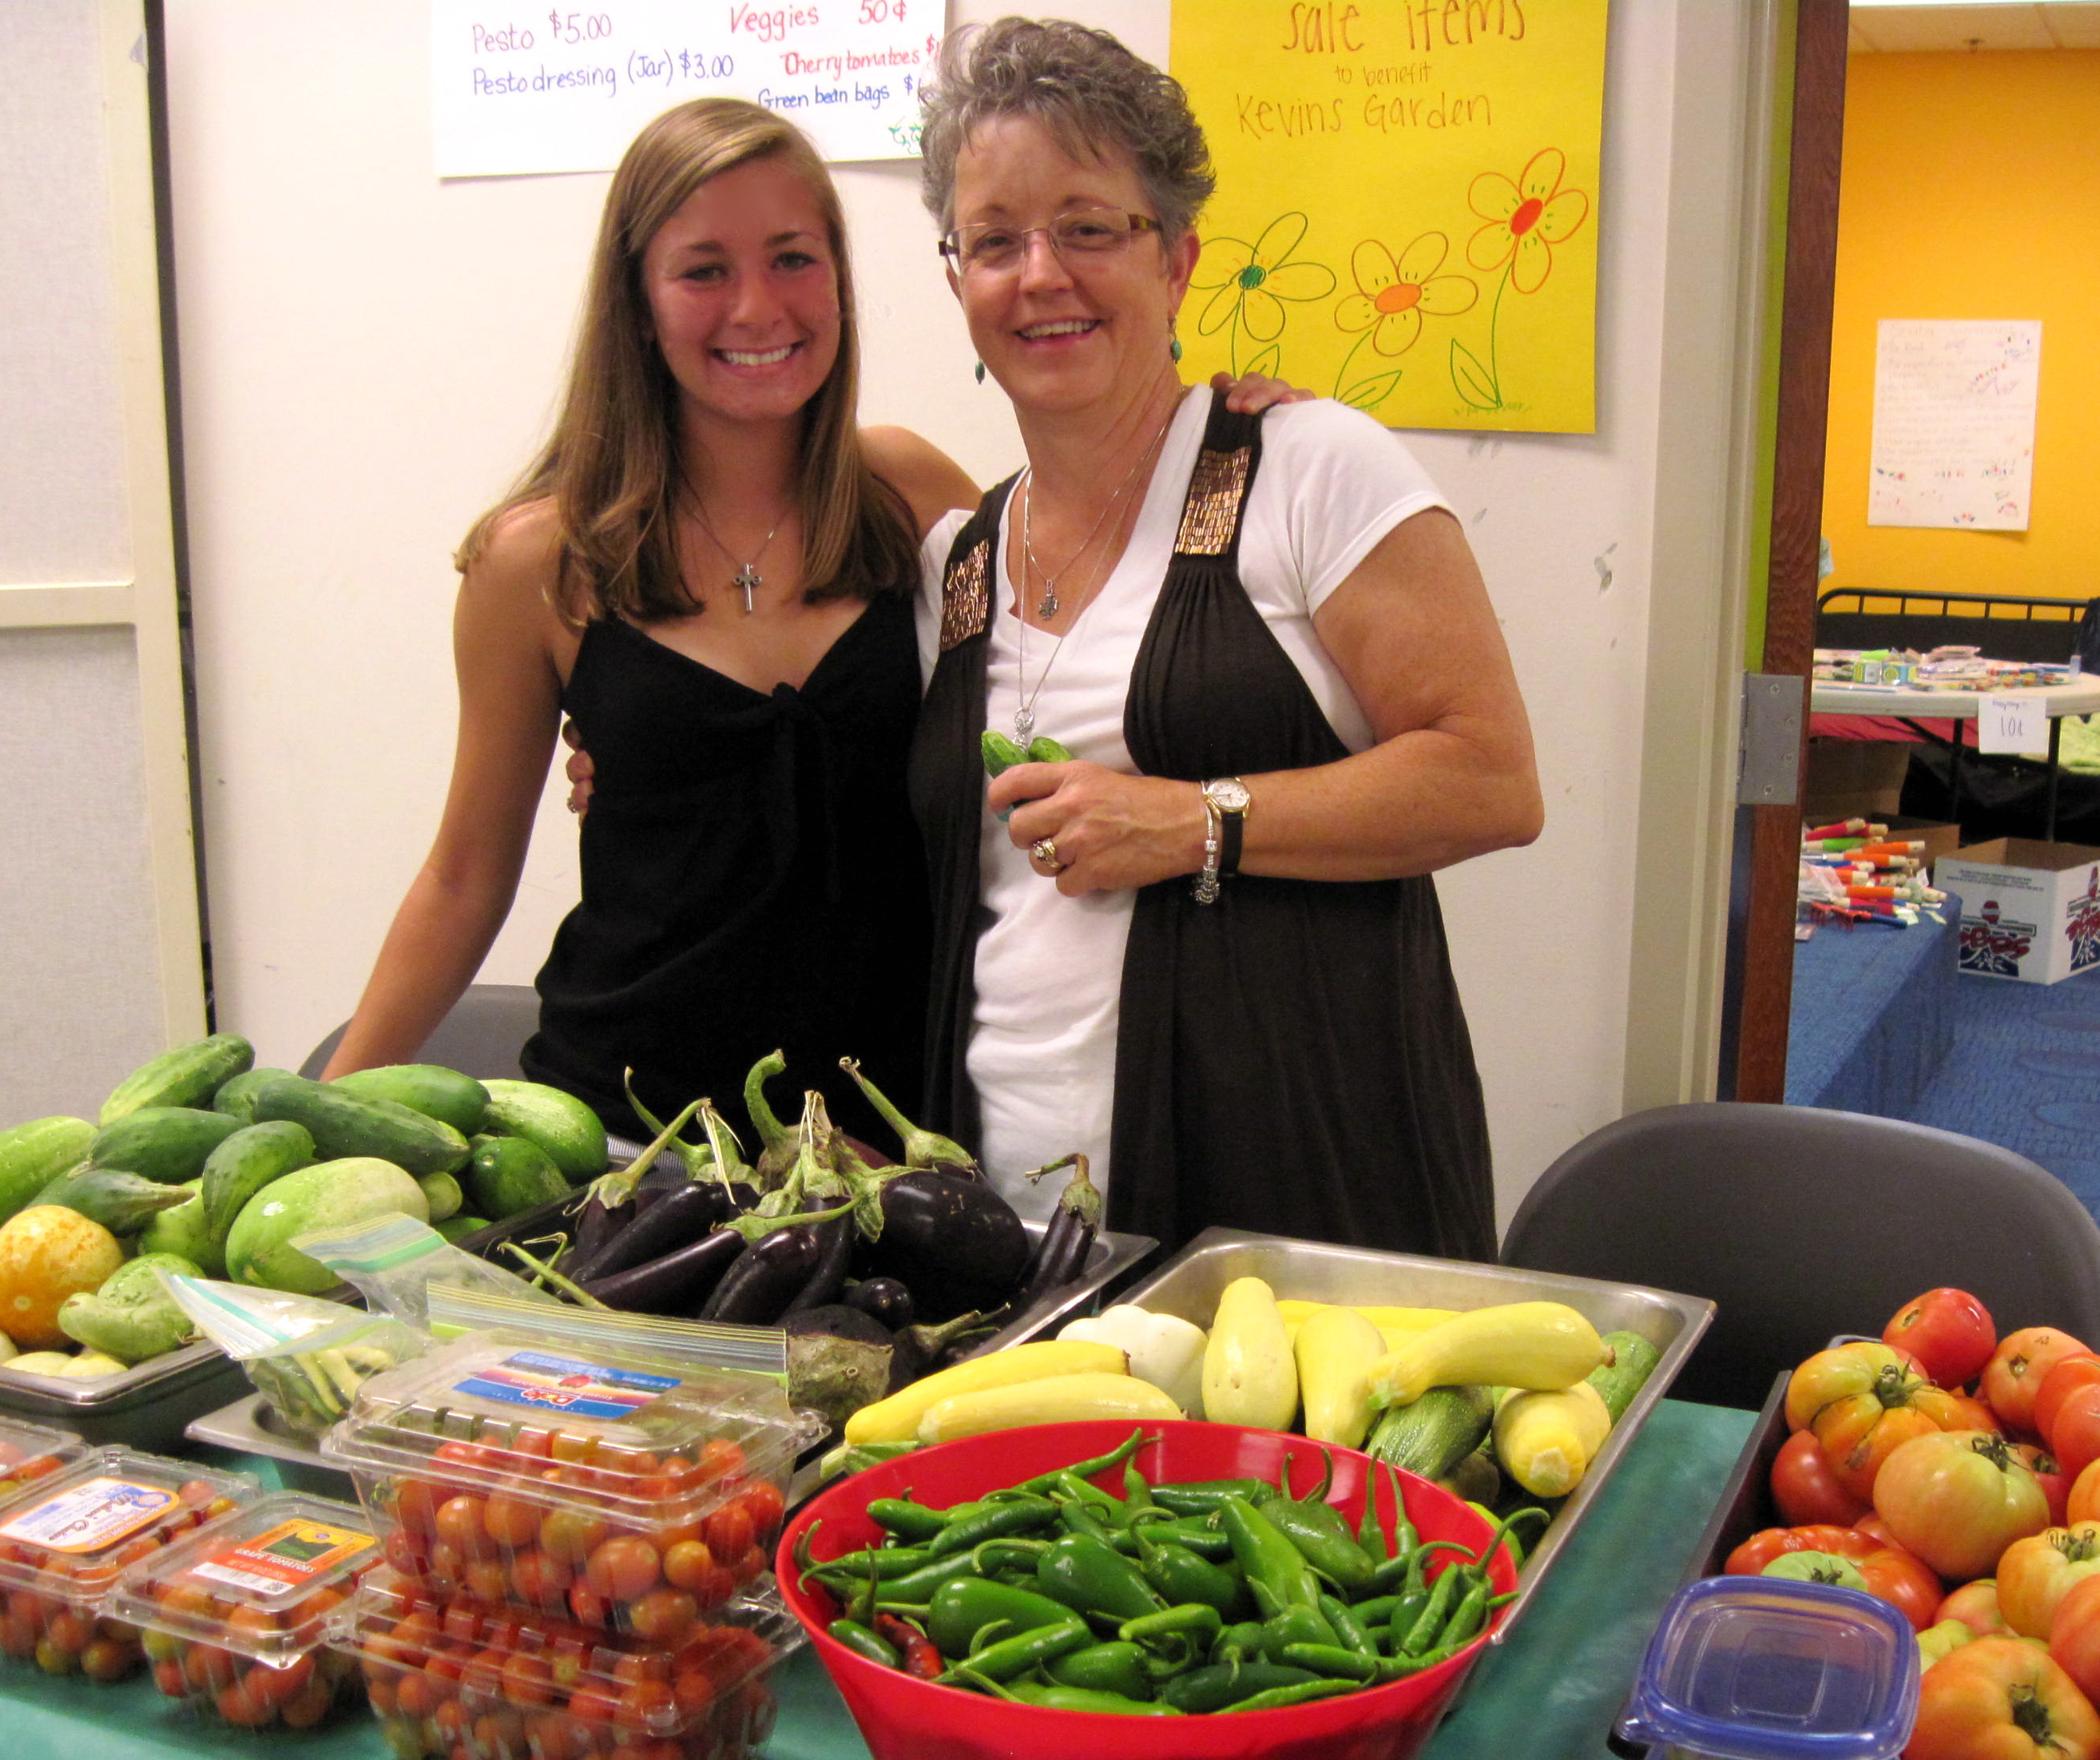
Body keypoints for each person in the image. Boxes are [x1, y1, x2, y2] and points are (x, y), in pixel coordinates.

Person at [324, 97, 1296, 1147]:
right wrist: (324, 1116)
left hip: (899, 1141)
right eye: (703, 269)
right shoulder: (542, 563)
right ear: (639, 302)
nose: (757, 307)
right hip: (628, 1141)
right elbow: (464, 876)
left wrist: (1222, 439)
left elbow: (1074, 666)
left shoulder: (913, 497)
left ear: (838, 278)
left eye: (792, 259)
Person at [907, 20, 1544, 1261]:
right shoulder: (957, 564)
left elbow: (1489, 779)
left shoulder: (1310, 472)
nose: (1040, 273)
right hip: (1010, 1221)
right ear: (957, 279)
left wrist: (1198, 821)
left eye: (1089, 227)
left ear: (1177, 258)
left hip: (1295, 1196)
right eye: (995, 240)